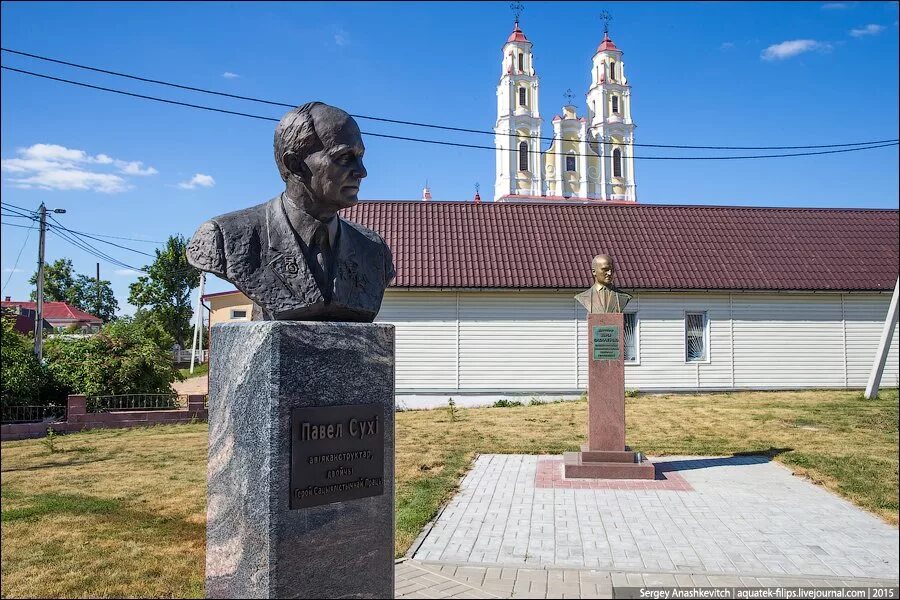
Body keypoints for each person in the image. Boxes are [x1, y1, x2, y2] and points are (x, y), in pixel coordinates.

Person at [186, 102, 395, 322]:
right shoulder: (223, 237)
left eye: (360, 157)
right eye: (343, 157)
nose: (362, 172)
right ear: (295, 164)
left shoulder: (374, 251)